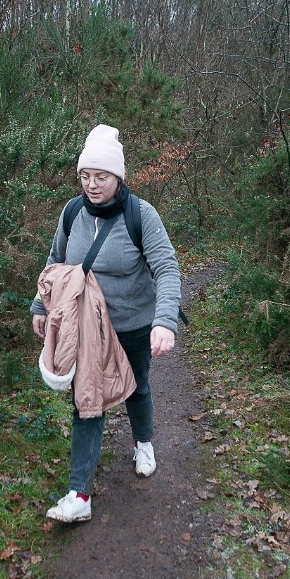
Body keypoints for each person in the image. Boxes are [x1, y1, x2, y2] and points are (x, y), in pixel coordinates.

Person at [31, 124, 181, 523]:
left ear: (118, 177)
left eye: (101, 177)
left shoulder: (141, 215)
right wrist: (40, 305)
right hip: (86, 328)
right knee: (88, 403)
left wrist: (164, 321)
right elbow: (55, 262)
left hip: (133, 325)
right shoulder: (72, 212)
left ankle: (143, 442)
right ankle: (79, 494)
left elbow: (166, 268)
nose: (92, 185)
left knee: (137, 388)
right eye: (85, 176)